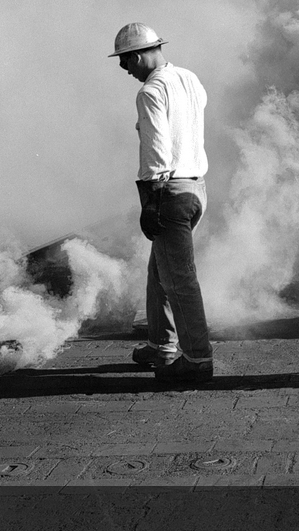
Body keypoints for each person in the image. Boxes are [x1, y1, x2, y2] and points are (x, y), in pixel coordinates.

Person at [109, 22, 213, 384]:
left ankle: (197, 359)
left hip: (169, 193)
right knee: (160, 272)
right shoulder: (188, 78)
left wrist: (149, 203)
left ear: (137, 55)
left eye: (125, 62)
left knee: (180, 280)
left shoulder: (150, 92)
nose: (125, 70)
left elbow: (156, 154)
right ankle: (160, 345)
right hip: (196, 188)